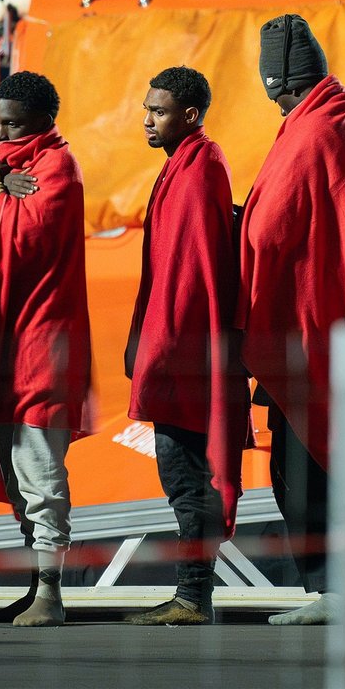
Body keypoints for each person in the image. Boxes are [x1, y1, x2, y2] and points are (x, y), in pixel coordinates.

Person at [238, 14, 345, 625]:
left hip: (309, 328)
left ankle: (337, 597)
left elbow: (269, 230)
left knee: (302, 470)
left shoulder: (306, 137)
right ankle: (343, 594)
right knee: (324, 463)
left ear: (279, 82)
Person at [0, 72, 94, 627]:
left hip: (42, 342)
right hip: (4, 340)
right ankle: (36, 584)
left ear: (43, 120)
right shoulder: (9, 166)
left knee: (40, 471)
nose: (0, 132)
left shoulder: (57, 167)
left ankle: (51, 594)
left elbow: (28, 241)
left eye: (11, 123)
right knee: (14, 474)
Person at [125, 66, 249, 626]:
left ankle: (193, 597)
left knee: (186, 478)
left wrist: (161, 353)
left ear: (190, 115)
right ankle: (192, 595)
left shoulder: (200, 170)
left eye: (159, 110)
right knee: (182, 478)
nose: (147, 118)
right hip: (177, 351)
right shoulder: (184, 166)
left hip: (186, 356)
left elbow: (190, 277)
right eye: (148, 108)